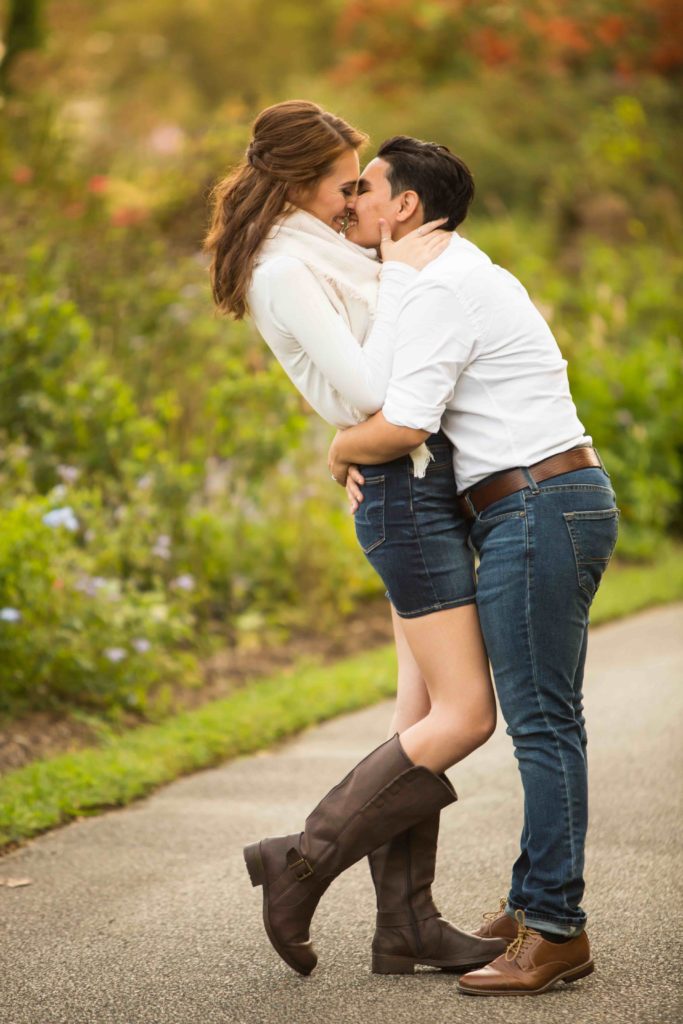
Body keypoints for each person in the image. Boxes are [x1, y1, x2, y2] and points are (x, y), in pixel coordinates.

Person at [204, 101, 504, 977]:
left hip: (415, 486)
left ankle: (406, 924)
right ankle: (298, 863)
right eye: (346, 181)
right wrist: (348, 439)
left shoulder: (326, 254)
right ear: (301, 181)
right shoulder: (284, 270)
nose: (355, 199)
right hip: (403, 497)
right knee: (464, 714)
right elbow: (372, 386)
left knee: (418, 717)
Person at [329, 135, 620, 996]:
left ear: (405, 205)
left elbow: (405, 424)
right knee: (543, 718)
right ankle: (536, 902)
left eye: (364, 187)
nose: (352, 201)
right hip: (530, 504)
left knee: (541, 723)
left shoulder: (441, 289)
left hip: (537, 505)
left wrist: (338, 450)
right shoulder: (448, 277)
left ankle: (557, 928)